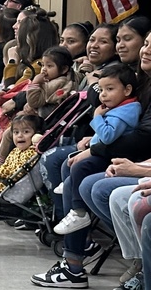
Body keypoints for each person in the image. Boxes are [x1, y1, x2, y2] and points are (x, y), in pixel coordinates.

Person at [53, 62, 141, 235]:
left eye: (110, 89)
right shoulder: (119, 107)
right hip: (105, 151)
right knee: (70, 162)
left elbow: (108, 136)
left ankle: (79, 211)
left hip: (113, 157)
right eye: (101, 90)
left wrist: (97, 117)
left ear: (127, 90)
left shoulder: (126, 111)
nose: (103, 95)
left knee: (80, 167)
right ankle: (72, 186)